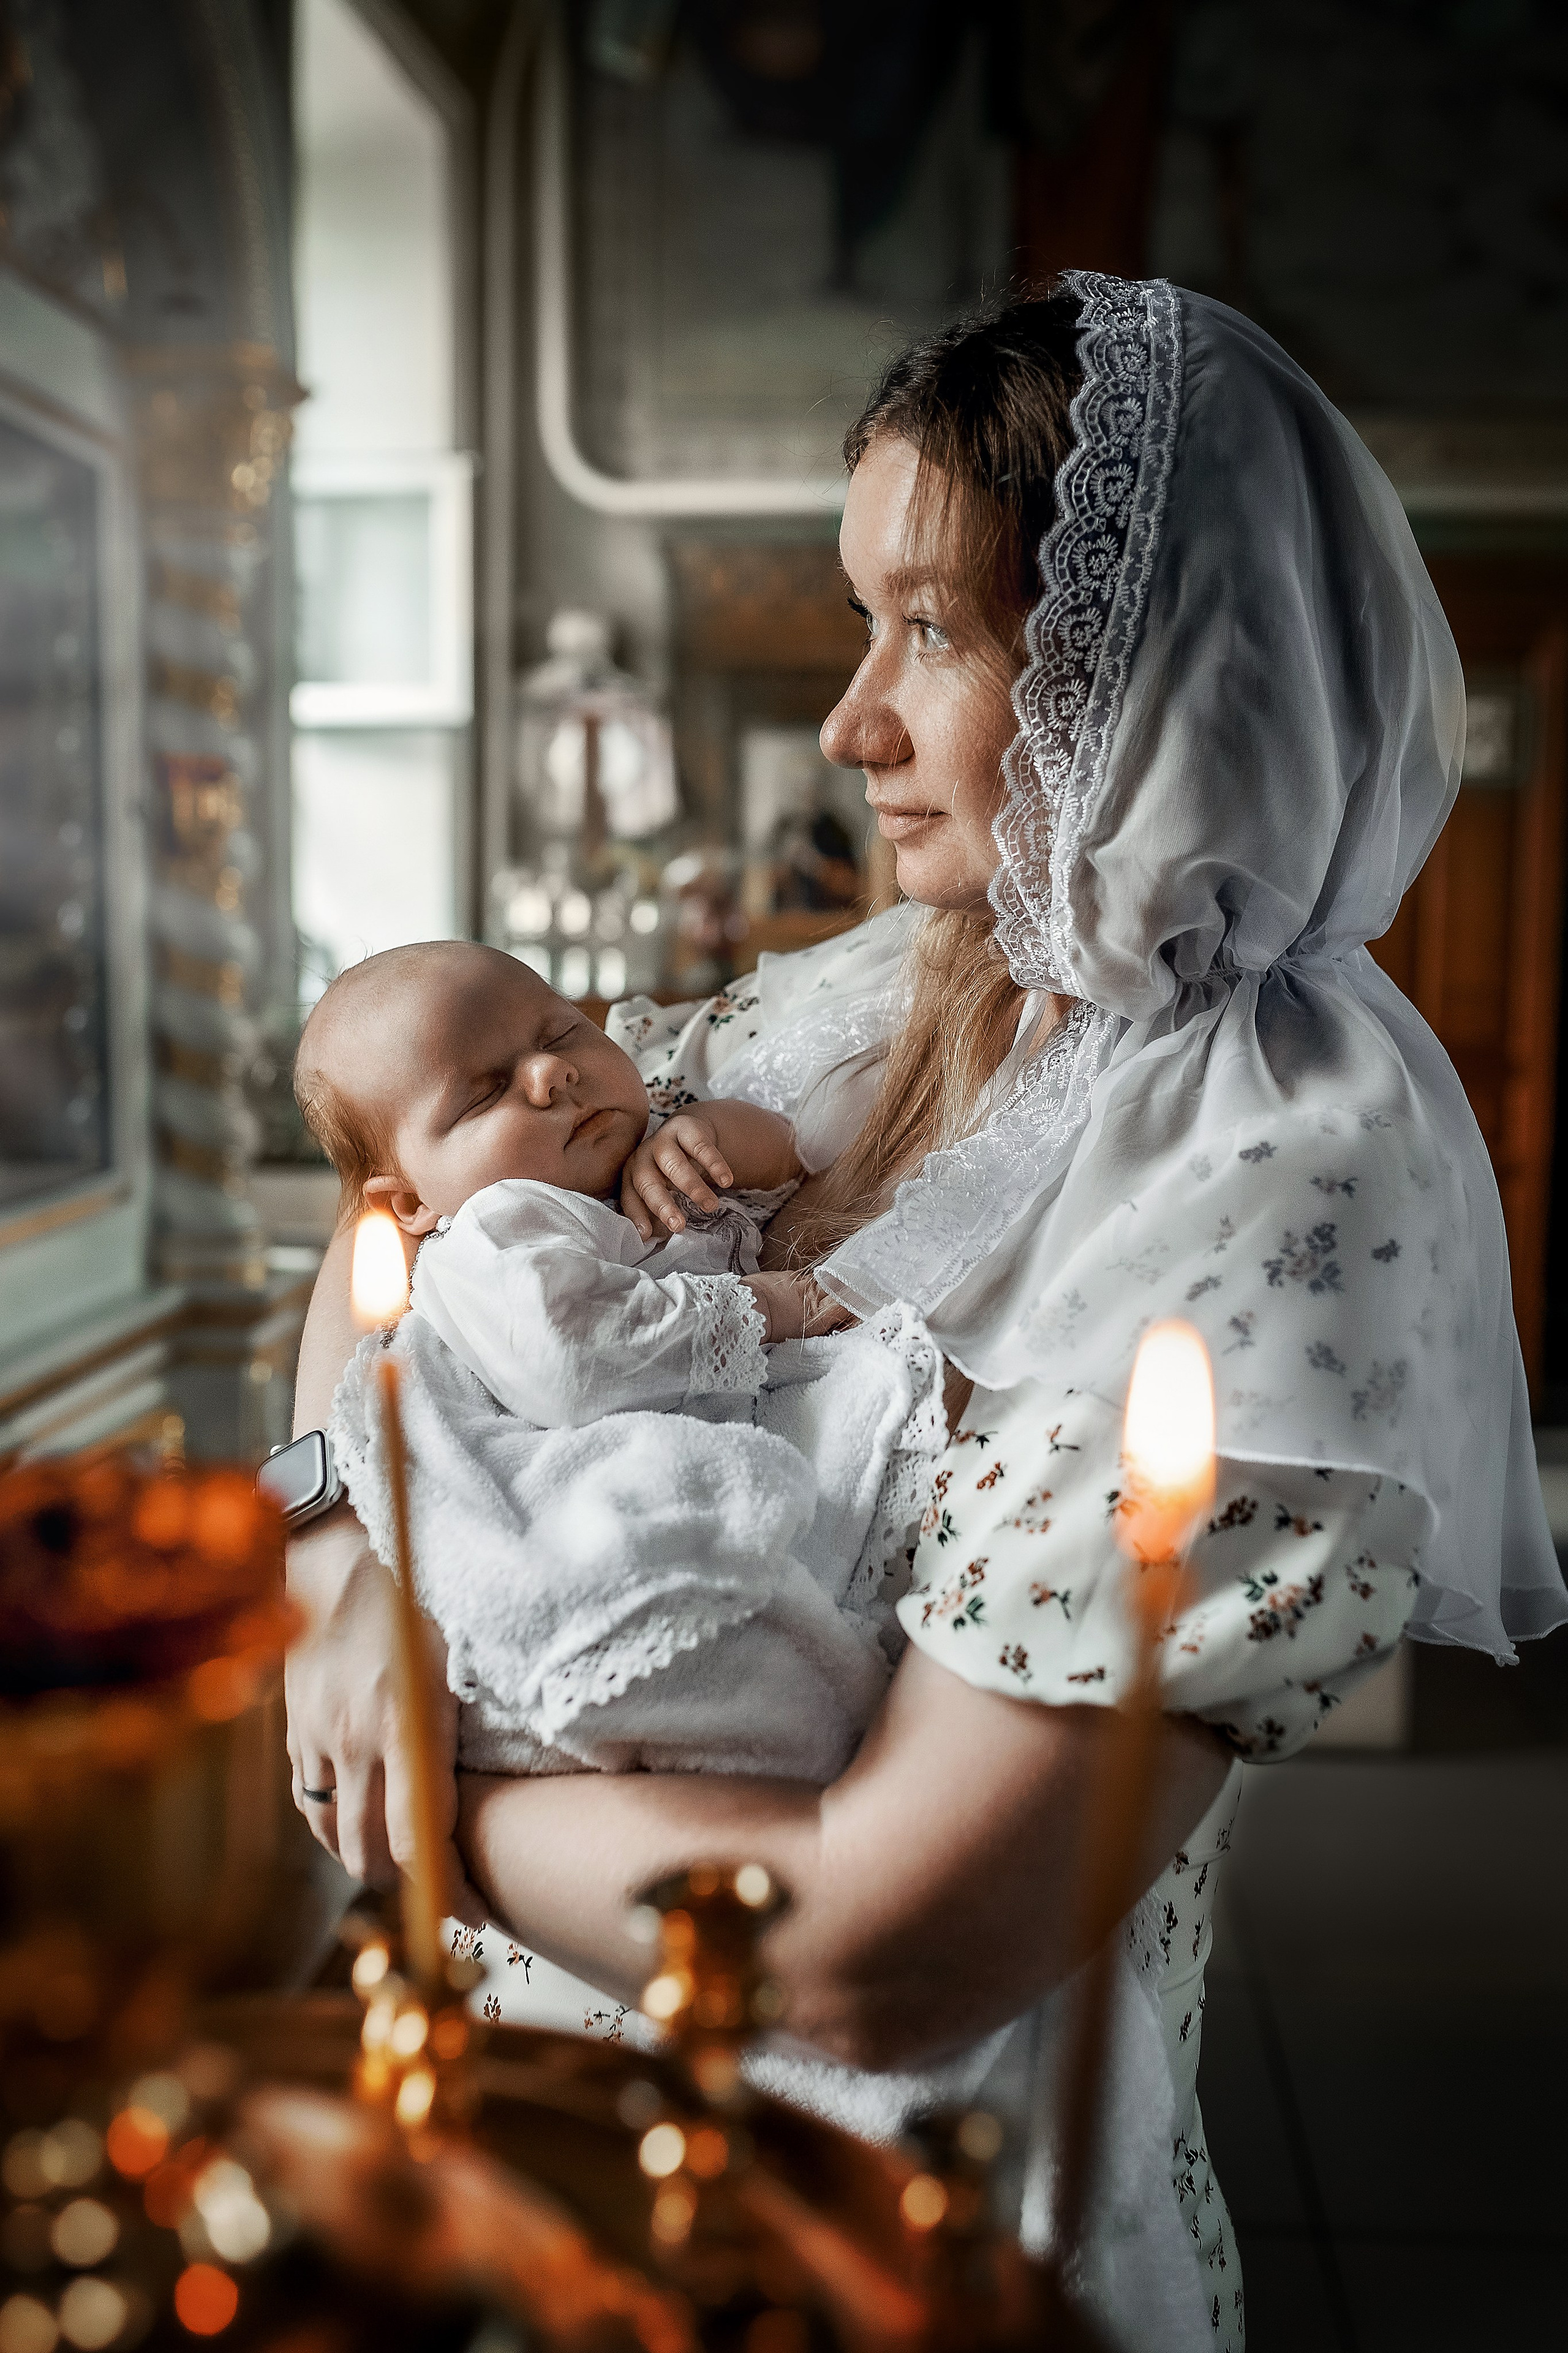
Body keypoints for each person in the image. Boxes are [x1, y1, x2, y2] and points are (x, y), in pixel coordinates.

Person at [285, 273, 1568, 2350]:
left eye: (937, 631)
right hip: (532, 2134)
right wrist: (361, 1557)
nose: (847, 722)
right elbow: (406, 1247)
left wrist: (425, 1790)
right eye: (861, 620)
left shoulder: (1278, 1171)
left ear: (1152, 672)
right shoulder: (871, 982)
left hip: (906, 2225)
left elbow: (894, 1939)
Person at [292, 940, 944, 1788]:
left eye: (562, 1032)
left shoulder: (647, 1136)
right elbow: (578, 1354)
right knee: (636, 1552)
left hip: (695, 1439)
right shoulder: (499, 1231)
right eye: (487, 1091)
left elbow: (794, 1155)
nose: (549, 1076)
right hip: (556, 1470)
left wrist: (710, 1135)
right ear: (412, 1202)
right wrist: (778, 1306)